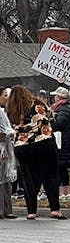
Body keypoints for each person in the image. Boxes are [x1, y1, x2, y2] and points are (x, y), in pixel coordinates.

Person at [7, 85, 64, 219]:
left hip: (22, 145)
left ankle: (31, 211)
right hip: (43, 141)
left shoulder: (12, 109)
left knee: (29, 179)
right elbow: (51, 117)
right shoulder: (38, 103)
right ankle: (55, 209)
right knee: (50, 176)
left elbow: (12, 125)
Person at [49, 87, 70, 200]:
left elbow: (59, 124)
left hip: (63, 142)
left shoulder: (64, 109)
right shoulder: (61, 108)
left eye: (56, 96)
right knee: (60, 168)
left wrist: (51, 121)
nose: (54, 98)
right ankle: (63, 191)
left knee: (61, 167)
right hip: (62, 141)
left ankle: (64, 192)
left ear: (60, 97)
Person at [0, 88, 17, 219]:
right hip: (2, 148)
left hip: (6, 148)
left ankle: (7, 209)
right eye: (5, 95)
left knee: (5, 179)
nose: (7, 98)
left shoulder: (3, 112)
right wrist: (8, 133)